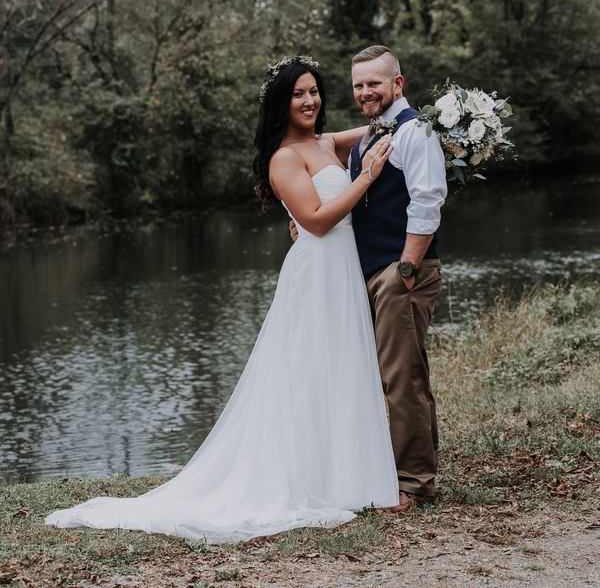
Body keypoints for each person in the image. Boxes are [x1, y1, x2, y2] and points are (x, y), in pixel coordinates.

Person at [45, 55, 399, 543]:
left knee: (339, 368)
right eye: (298, 93)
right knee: (304, 373)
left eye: (314, 90)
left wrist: (444, 121)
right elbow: (316, 220)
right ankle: (301, 479)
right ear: (281, 102)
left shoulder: (325, 142)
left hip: (341, 273)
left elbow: (381, 128)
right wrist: (366, 179)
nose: (309, 100)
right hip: (315, 274)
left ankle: (345, 478)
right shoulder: (283, 158)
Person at [349, 45, 447, 513]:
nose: (365, 91)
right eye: (358, 84)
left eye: (374, 82)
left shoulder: (414, 132)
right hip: (374, 271)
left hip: (400, 272)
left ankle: (412, 482)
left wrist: (404, 272)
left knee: (400, 378)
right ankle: (414, 472)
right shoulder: (372, 134)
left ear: (397, 84)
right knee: (404, 372)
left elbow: (427, 200)